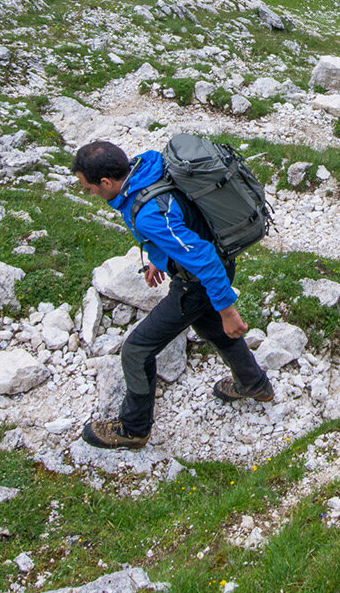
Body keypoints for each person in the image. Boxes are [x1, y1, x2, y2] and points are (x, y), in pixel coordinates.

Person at [71, 139, 274, 450]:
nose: (91, 194)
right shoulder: (146, 166)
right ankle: (254, 383)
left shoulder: (147, 213)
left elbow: (202, 255)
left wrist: (228, 309)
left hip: (200, 281)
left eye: (89, 188)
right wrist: (160, 257)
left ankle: (133, 428)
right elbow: (179, 219)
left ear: (106, 182)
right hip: (214, 266)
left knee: (137, 351)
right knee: (212, 330)